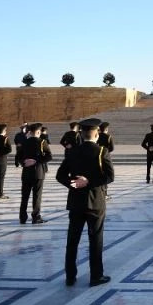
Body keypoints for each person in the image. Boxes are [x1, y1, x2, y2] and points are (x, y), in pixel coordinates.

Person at [56, 117, 115, 287]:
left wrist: (73, 183)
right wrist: (88, 182)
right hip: (95, 202)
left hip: (76, 201)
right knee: (95, 239)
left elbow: (60, 175)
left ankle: (70, 276)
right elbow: (109, 176)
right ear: (97, 134)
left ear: (81, 135)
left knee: (72, 239)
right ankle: (96, 276)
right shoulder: (101, 151)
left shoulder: (73, 151)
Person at [16, 122, 53, 224]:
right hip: (38, 173)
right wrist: (36, 160)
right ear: (38, 132)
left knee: (25, 196)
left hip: (26, 172)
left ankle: (22, 217)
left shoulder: (24, 142)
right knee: (37, 196)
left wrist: (24, 162)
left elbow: (18, 157)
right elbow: (49, 156)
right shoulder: (42, 142)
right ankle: (35, 217)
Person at [97, 122, 114, 200]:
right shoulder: (108, 136)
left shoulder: (97, 136)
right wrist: (106, 152)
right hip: (105, 157)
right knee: (106, 175)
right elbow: (112, 148)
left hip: (97, 157)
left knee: (98, 174)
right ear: (106, 129)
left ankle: (99, 193)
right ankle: (105, 193)